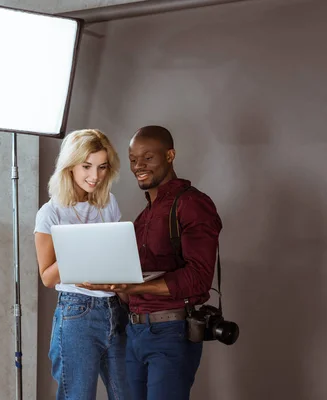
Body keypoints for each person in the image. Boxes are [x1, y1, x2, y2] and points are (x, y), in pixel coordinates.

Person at [80, 125, 223, 400]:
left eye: (148, 158)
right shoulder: (143, 217)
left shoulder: (192, 204)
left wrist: (132, 287)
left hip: (172, 333)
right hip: (134, 333)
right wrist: (107, 282)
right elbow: (130, 283)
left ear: (170, 155)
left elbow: (199, 277)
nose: (138, 166)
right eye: (133, 159)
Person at [34, 128, 130, 400]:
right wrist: (81, 246)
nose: (95, 176)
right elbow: (47, 277)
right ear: (70, 166)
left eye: (102, 167)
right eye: (86, 166)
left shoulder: (108, 203)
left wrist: (128, 293)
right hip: (77, 313)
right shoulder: (50, 213)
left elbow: (114, 258)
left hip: (115, 309)